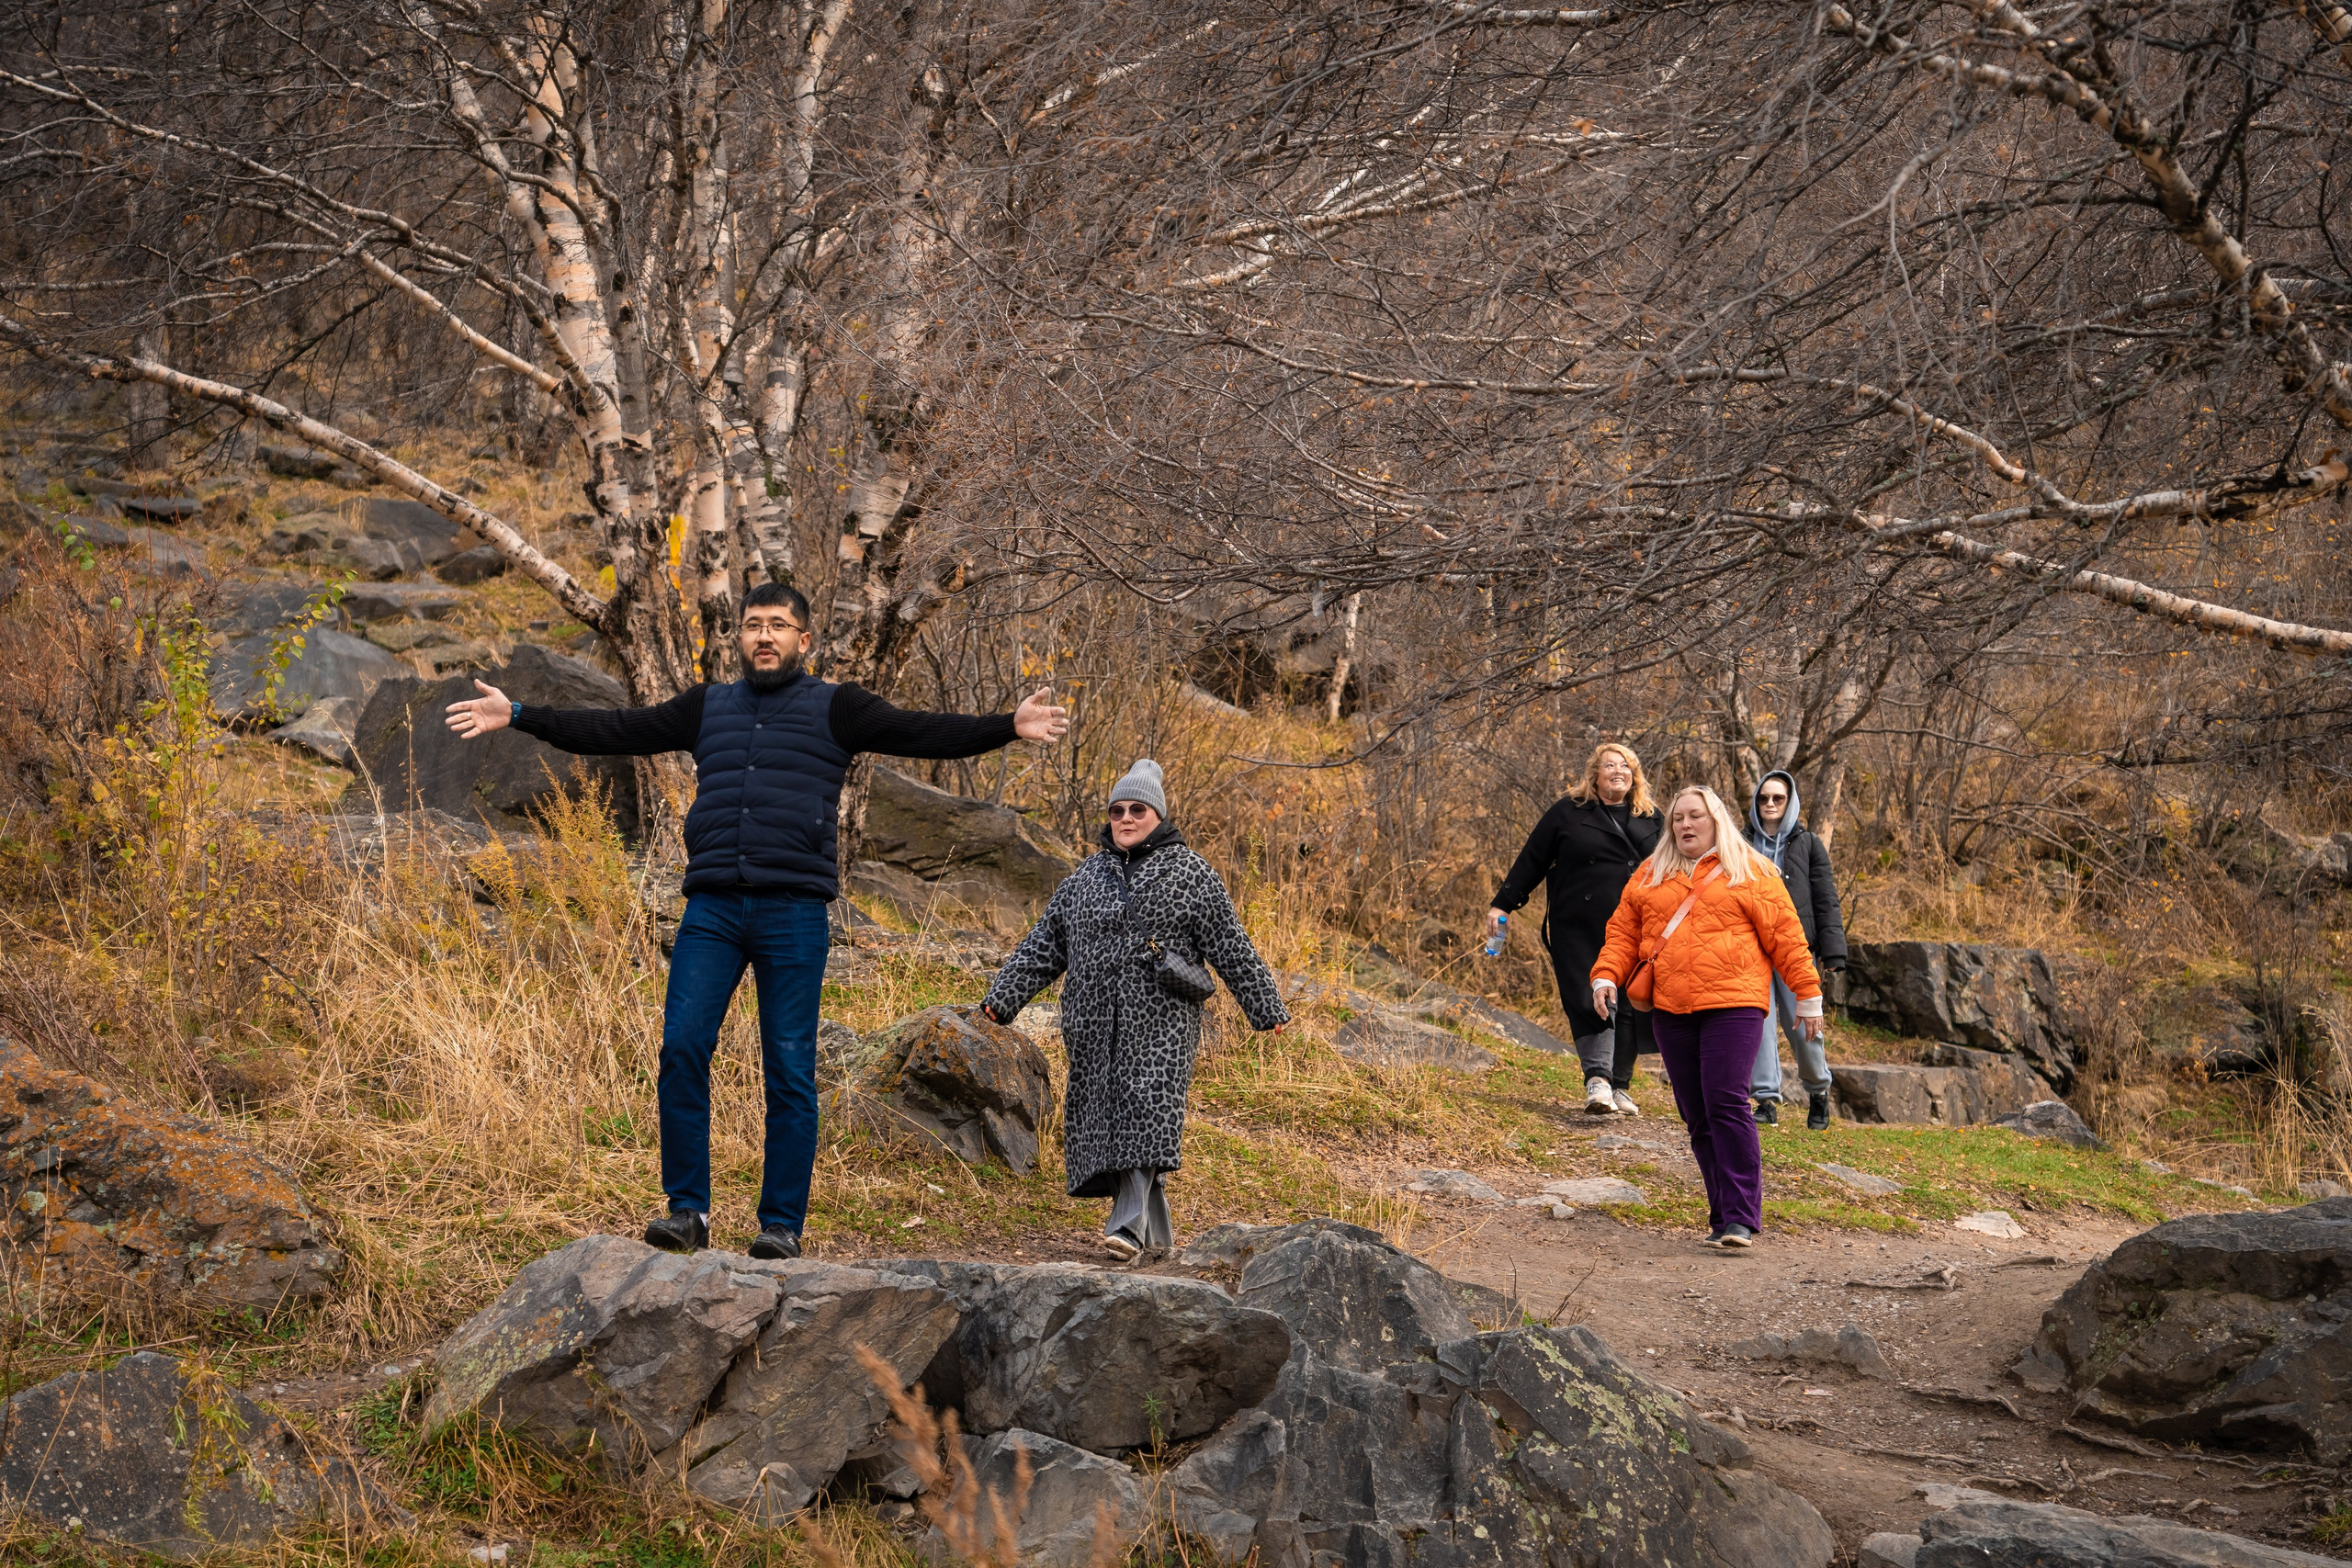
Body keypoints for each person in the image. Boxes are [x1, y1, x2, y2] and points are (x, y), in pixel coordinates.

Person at [442, 582, 1069, 1260]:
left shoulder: (838, 707)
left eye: (778, 625)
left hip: (793, 912)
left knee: (790, 1070)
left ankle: (780, 1225)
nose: (764, 636)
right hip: (712, 908)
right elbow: (619, 729)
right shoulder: (707, 705)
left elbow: (923, 730)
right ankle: (688, 1212)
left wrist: (1008, 723)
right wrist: (522, 713)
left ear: (804, 639)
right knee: (682, 1047)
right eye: (752, 625)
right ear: (737, 638)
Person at [978, 760, 1289, 1260]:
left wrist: (1264, 1006)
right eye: (1117, 810)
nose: (1126, 818)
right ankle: (1159, 1245)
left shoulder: (1191, 873)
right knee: (1111, 1116)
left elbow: (1231, 945)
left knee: (1146, 1111)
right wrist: (1001, 1001)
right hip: (1093, 1022)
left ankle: (1125, 1228)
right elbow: (1045, 945)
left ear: (1158, 815)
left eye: (1137, 809)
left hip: (1162, 1023)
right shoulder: (1086, 878)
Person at [1590, 784, 1823, 1250]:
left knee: (1726, 1100)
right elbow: (1621, 932)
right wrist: (1604, 977)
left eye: (1695, 816)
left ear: (1715, 819)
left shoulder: (1751, 871)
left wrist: (1807, 993)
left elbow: (1786, 935)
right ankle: (1722, 1216)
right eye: (1678, 818)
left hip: (1734, 1004)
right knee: (1695, 1113)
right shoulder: (1650, 873)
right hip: (1671, 1007)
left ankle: (1740, 1217)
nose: (1685, 825)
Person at [1487, 743, 1663, 1116]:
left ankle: (1620, 1085)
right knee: (1589, 997)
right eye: (1610, 765)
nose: (1619, 771)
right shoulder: (1568, 812)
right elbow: (1533, 858)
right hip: (1579, 925)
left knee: (1631, 1002)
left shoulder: (1652, 818)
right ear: (1594, 773)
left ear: (1635, 775)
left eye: (1626, 766)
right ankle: (1597, 1080)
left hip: (1637, 925)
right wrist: (1503, 903)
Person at [1746, 770, 1849, 1130]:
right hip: (1751, 950)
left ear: (1790, 802)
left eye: (1778, 798)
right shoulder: (1740, 843)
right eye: (1763, 798)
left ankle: (1818, 1091)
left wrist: (1834, 952)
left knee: (1804, 1026)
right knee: (1757, 1026)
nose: (1770, 805)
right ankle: (1766, 1100)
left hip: (1796, 948)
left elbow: (1826, 899)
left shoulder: (1808, 843)